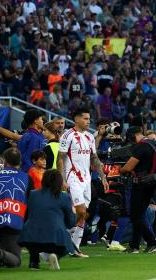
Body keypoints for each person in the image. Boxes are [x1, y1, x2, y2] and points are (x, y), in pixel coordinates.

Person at [118, 126, 156, 254]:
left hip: (141, 183)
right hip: (152, 182)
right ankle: (134, 245)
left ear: (133, 136)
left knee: (135, 215)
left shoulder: (141, 146)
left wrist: (121, 169)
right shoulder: (154, 144)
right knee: (139, 214)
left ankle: (152, 242)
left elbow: (128, 167)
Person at [19, 170, 74, 270]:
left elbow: (26, 215)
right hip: (54, 238)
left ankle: (34, 262)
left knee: (33, 241)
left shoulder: (33, 194)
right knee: (67, 241)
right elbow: (71, 223)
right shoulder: (64, 197)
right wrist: (73, 213)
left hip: (30, 236)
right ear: (59, 181)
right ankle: (55, 256)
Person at [58, 108, 94, 257]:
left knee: (84, 214)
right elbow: (60, 158)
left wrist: (103, 176)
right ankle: (63, 236)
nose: (88, 121)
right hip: (73, 178)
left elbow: (94, 158)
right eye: (85, 118)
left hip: (87, 179)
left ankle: (75, 248)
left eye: (89, 119)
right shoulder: (67, 135)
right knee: (81, 211)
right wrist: (62, 179)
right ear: (76, 119)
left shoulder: (90, 137)